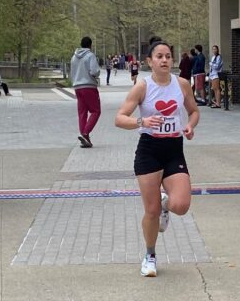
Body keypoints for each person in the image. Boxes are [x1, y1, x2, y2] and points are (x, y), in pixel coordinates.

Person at [115, 38, 200, 277]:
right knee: (151, 211)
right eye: (159, 57)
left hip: (174, 149)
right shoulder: (142, 87)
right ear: (149, 62)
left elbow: (193, 111)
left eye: (168, 56)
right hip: (149, 151)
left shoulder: (182, 84)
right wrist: (142, 121)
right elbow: (119, 118)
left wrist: (190, 126)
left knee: (181, 205)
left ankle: (166, 203)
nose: (164, 60)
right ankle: (149, 255)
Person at [70, 36, 101, 148]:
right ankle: (85, 133)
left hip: (77, 86)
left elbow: (72, 73)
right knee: (95, 111)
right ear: (90, 45)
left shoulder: (74, 57)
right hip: (88, 86)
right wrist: (96, 75)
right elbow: (94, 71)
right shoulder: (90, 55)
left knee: (82, 113)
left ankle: (85, 138)